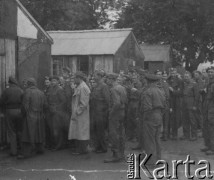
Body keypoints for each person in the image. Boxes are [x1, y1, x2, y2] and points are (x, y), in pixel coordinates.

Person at [18, 78, 47, 159]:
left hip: (30, 115)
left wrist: (23, 115)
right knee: (39, 133)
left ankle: (26, 153)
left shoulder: (27, 91)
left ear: (29, 84)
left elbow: (25, 105)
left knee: (27, 134)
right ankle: (40, 149)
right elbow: (45, 105)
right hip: (40, 115)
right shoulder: (41, 92)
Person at [141, 74, 165, 168]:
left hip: (150, 116)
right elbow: (165, 104)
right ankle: (158, 159)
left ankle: (151, 162)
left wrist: (145, 118)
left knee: (149, 139)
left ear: (148, 81)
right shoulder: (160, 91)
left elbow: (147, 107)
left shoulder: (148, 92)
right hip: (159, 114)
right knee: (157, 139)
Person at [104, 73, 127, 163]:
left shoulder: (113, 89)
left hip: (116, 113)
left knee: (114, 134)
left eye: (108, 79)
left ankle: (116, 155)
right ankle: (121, 153)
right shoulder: (122, 87)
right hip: (122, 112)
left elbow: (116, 103)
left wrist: (111, 112)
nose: (107, 81)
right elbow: (124, 101)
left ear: (111, 79)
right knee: (121, 133)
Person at [68, 71, 91, 155]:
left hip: (81, 114)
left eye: (75, 78)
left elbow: (84, 103)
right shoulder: (80, 86)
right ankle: (81, 148)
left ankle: (82, 149)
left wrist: (77, 111)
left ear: (79, 78)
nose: (74, 79)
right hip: (79, 114)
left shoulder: (83, 87)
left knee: (82, 132)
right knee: (79, 131)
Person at [0, 77, 23, 156]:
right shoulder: (20, 90)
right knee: (20, 130)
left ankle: (14, 151)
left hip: (9, 111)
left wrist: (2, 112)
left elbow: (2, 102)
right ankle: (22, 149)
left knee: (11, 131)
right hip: (19, 111)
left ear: (9, 83)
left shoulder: (6, 90)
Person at [47, 76, 69, 150]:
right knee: (52, 129)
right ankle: (54, 144)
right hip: (50, 110)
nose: (53, 82)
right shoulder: (50, 89)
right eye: (52, 81)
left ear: (58, 82)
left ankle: (58, 145)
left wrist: (56, 108)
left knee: (57, 129)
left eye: (54, 81)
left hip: (57, 112)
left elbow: (64, 101)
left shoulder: (59, 89)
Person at [92, 70, 110, 153]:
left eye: (95, 75)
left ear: (99, 76)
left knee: (101, 130)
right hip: (96, 111)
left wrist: (104, 111)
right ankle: (97, 146)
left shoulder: (104, 86)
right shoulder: (96, 86)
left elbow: (107, 100)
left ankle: (103, 148)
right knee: (96, 130)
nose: (93, 77)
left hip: (101, 112)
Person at [181, 71, 198, 141]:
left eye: (187, 76)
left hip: (191, 104)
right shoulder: (184, 84)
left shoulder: (194, 84)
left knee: (192, 120)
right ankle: (186, 135)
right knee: (185, 120)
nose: (186, 78)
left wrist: (195, 105)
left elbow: (197, 96)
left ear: (190, 77)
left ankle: (194, 135)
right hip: (184, 104)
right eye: (185, 77)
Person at [201, 67, 214, 155]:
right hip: (206, 107)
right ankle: (208, 145)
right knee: (206, 127)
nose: (210, 73)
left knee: (212, 128)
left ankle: (212, 148)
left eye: (212, 72)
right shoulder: (208, 83)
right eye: (208, 72)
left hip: (212, 108)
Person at [167, 68, 183, 140]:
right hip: (169, 100)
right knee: (169, 117)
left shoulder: (179, 81)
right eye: (171, 72)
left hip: (176, 101)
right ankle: (167, 133)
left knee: (176, 117)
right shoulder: (168, 80)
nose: (172, 74)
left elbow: (180, 93)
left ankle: (175, 134)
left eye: (174, 73)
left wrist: (172, 90)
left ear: (176, 73)